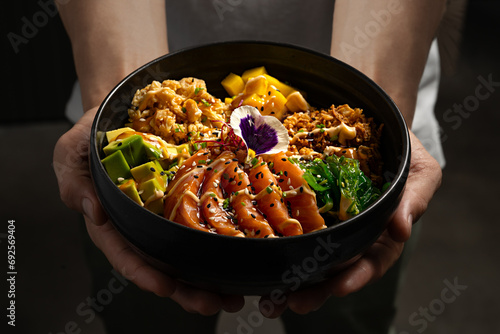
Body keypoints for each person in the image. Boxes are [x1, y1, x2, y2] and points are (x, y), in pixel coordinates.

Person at [54, 0, 444, 333]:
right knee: (146, 316)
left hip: (389, 62)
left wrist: (377, 102)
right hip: (129, 57)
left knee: (348, 319)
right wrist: (120, 90)